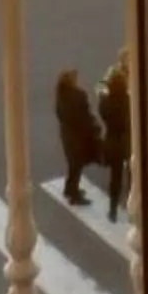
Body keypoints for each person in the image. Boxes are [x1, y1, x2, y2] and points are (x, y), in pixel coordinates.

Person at [55, 65, 104, 207]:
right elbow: (85, 117)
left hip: (67, 136)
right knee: (76, 166)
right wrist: (95, 128)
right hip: (79, 138)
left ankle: (69, 189)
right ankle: (74, 195)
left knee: (73, 165)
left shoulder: (60, 96)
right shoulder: (78, 96)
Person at [98, 55, 132, 225]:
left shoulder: (105, 103)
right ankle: (132, 204)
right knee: (131, 173)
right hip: (127, 140)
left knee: (116, 177)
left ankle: (113, 209)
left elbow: (101, 97)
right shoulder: (127, 102)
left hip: (112, 141)